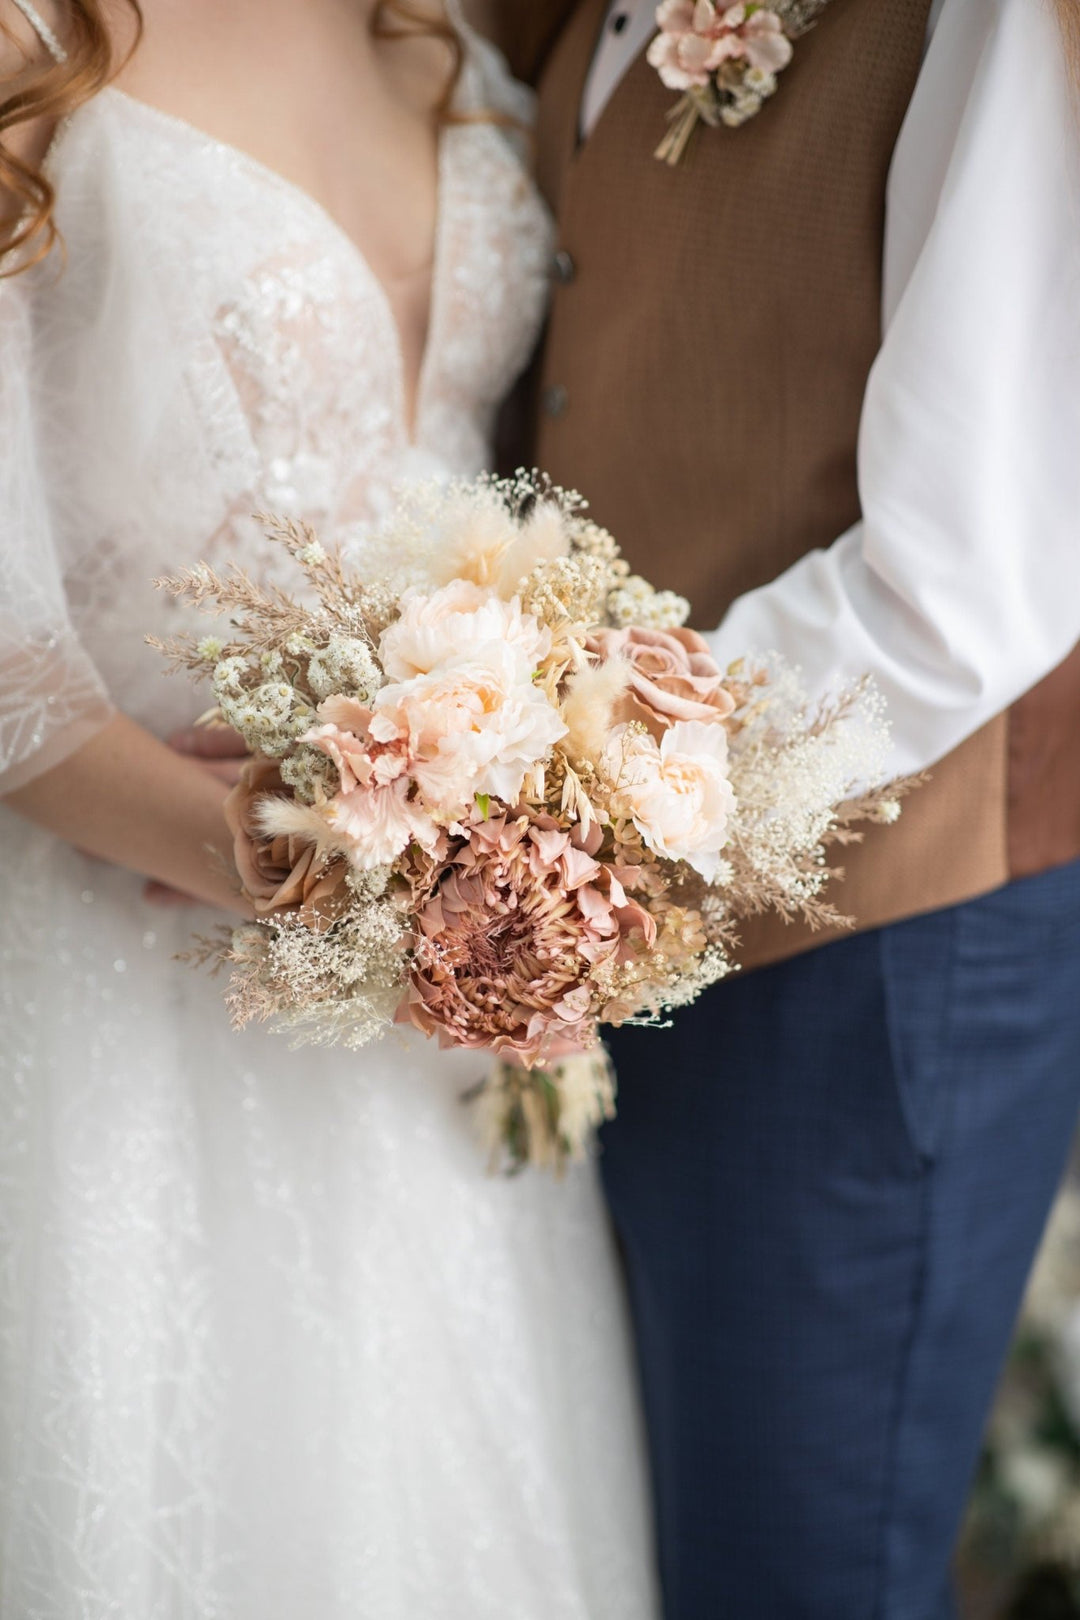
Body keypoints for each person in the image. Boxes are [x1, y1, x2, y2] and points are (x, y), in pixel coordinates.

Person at [0, 3, 659, 1614]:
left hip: (439, 1027)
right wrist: (286, 854)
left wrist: (528, 837)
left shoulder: (440, 29)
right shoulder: (33, 42)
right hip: (129, 977)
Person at [490, 0, 1080, 1615]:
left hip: (863, 943)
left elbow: (966, 583)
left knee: (793, 1576)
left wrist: (551, 795)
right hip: (603, 912)